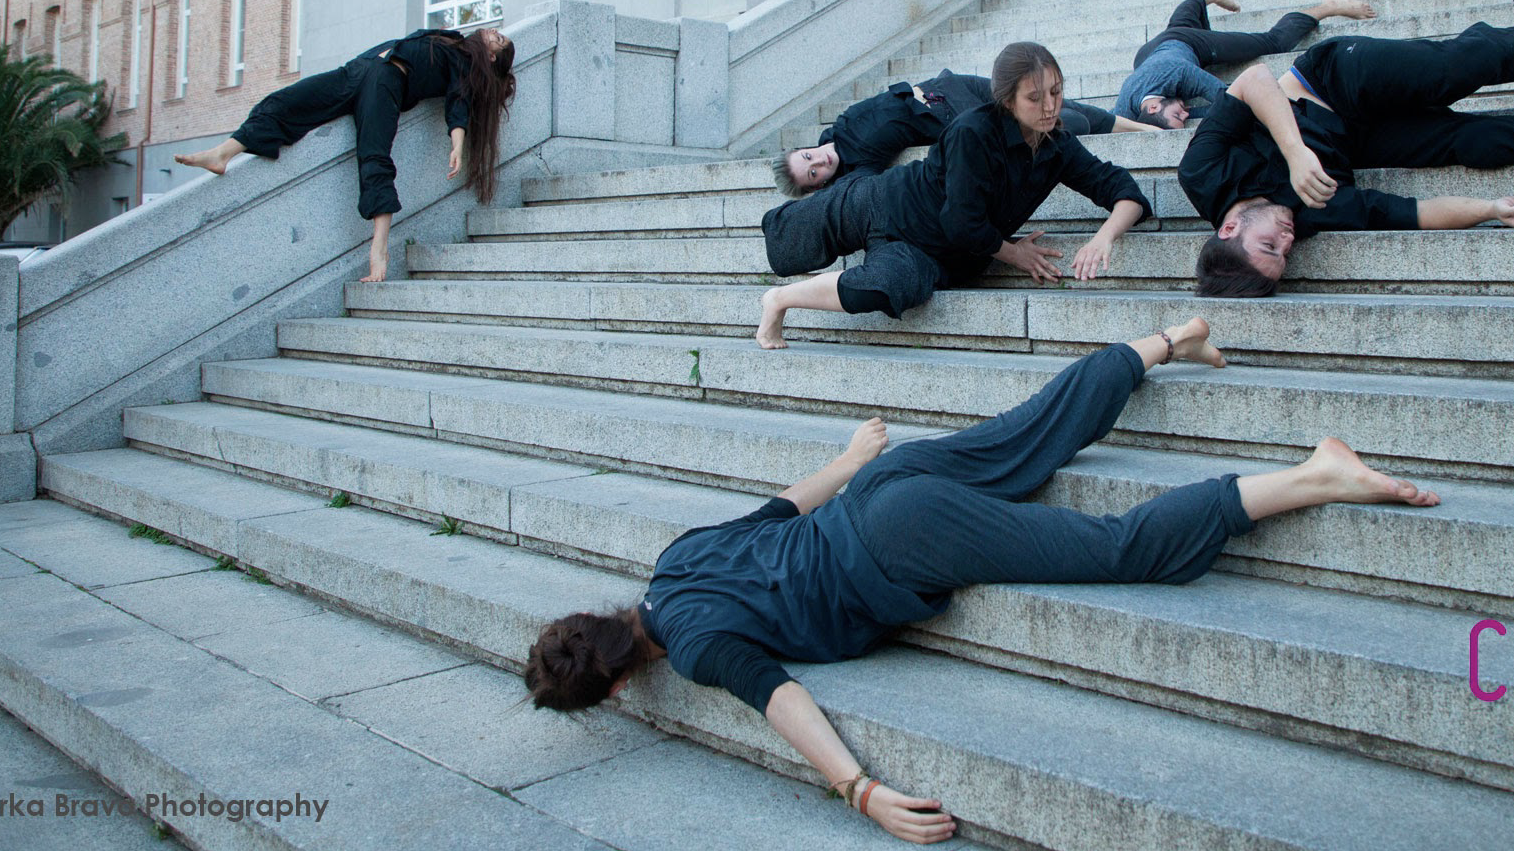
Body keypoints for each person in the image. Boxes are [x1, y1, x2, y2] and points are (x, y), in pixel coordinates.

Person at [523, 317, 1441, 845]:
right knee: (1031, 431)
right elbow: (781, 507)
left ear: (616, 688)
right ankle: (1167, 339)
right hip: (880, 489)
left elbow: (780, 698)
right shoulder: (674, 561)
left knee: (1118, 548)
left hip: (899, 541)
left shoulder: (694, 648)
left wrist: (859, 791)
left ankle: (1315, 475)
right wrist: (854, 459)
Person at [1178, 22, 1514, 297]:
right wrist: (1490, 210)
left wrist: (1296, 154)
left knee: (1447, 71)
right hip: (1361, 136)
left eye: (1270, 245)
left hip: (1326, 79)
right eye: (1285, 254)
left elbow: (1252, 80)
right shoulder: (1311, 218)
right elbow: (1413, 213)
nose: (1288, 240)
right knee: (1481, 143)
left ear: (1230, 227)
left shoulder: (1203, 175)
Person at [756, 43, 1149, 348]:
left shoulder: (1058, 145)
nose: (1049, 107)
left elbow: (1123, 190)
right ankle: (797, 239)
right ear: (1007, 99)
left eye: (1056, 92)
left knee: (885, 289)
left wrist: (1103, 238)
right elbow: (963, 221)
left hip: (931, 253)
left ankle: (778, 300)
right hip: (885, 202)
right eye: (1035, 97)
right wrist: (1014, 253)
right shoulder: (972, 131)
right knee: (783, 237)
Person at [174, 27, 516, 283]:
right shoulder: (451, 39)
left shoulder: (465, 65)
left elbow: (458, 104)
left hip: (387, 80)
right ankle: (222, 154)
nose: (492, 32)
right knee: (284, 101)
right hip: (358, 69)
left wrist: (457, 144)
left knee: (374, 155)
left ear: (491, 58)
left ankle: (379, 248)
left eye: (498, 39)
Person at [775, 68, 1158, 200]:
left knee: (1048, 99)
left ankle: (1147, 129)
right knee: (1066, 121)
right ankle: (1138, 127)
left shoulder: (837, 129)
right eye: (813, 173)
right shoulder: (858, 170)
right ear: (819, 185)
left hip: (948, 87)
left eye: (808, 157)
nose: (819, 161)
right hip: (967, 119)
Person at [1113, 0, 1378, 129]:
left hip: (1186, 45)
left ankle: (1328, 7)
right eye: (1183, 117)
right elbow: (1107, 122)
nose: (1186, 114)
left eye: (1178, 115)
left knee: (1273, 42)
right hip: (1147, 54)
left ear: (1153, 107)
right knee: (1177, 26)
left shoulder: (1178, 74)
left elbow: (1232, 100)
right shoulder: (1127, 107)